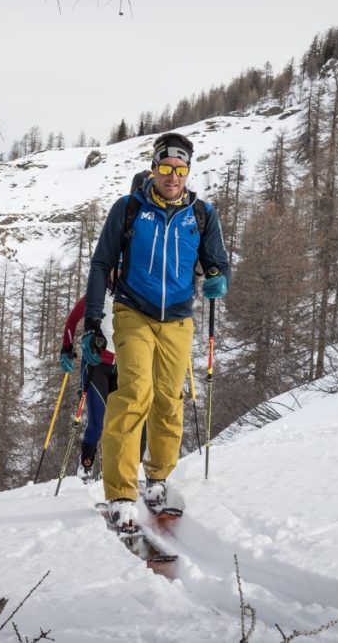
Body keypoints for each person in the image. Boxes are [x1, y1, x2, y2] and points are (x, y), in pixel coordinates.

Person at [81, 131, 231, 532]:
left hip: (179, 319)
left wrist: (218, 278)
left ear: (187, 172)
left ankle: (158, 480)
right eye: (166, 168)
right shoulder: (129, 209)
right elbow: (100, 265)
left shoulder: (201, 214)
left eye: (180, 170)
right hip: (134, 312)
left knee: (169, 398)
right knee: (134, 392)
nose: (173, 176)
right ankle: (120, 494)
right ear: (153, 168)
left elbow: (217, 262)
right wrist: (92, 322)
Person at [59, 271, 118, 482]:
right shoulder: (97, 294)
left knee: (122, 422)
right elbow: (73, 319)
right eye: (114, 267)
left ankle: (120, 470)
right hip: (96, 365)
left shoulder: (134, 293)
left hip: (122, 366)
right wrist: (67, 348)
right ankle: (85, 468)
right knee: (97, 423)